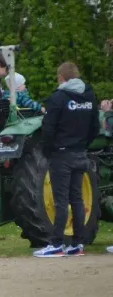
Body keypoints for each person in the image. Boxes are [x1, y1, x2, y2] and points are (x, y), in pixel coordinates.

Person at [34, 62, 99, 258]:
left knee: (60, 200)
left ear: (61, 77)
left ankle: (56, 244)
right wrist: (84, 144)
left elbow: (49, 128)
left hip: (61, 154)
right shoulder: (89, 96)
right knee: (77, 199)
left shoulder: (58, 98)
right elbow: (95, 126)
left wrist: (49, 149)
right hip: (81, 153)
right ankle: (77, 244)